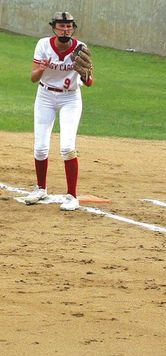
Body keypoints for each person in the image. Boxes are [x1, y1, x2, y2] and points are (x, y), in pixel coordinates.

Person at [24, 11, 94, 211]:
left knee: (67, 147)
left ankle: (72, 196)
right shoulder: (43, 45)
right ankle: (40, 188)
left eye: (69, 26)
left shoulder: (81, 48)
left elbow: (89, 83)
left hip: (70, 98)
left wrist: (86, 74)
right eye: (62, 25)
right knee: (40, 148)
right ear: (54, 27)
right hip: (45, 96)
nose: (65, 29)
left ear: (73, 28)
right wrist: (41, 68)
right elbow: (33, 78)